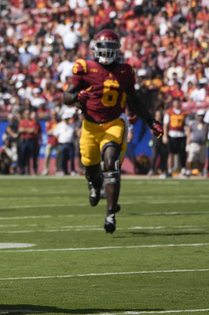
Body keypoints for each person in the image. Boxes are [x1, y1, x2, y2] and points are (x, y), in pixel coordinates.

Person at [62, 29, 163, 233]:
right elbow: (66, 96)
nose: (107, 51)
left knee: (111, 163)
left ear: (117, 50)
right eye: (104, 47)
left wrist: (151, 120)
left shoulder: (125, 71)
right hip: (90, 126)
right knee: (90, 167)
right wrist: (76, 97)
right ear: (95, 48)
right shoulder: (85, 67)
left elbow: (134, 99)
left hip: (114, 123)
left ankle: (110, 214)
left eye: (111, 47)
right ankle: (94, 183)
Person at [162, 97, 188, 178]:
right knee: (170, 154)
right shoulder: (169, 112)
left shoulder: (184, 113)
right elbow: (165, 125)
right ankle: (170, 171)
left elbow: (188, 126)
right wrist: (165, 136)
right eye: (175, 102)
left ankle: (183, 171)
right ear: (173, 103)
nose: (176, 103)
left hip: (181, 135)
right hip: (171, 135)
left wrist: (188, 137)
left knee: (183, 154)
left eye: (178, 102)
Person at [185, 109, 208, 177]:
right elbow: (188, 130)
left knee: (202, 159)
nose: (201, 117)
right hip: (194, 143)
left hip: (203, 144)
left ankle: (200, 171)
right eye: (200, 116)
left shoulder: (206, 124)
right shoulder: (193, 123)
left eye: (202, 116)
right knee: (191, 157)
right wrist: (188, 138)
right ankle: (188, 171)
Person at [42, 109, 60, 175]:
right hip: (50, 141)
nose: (54, 116)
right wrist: (55, 131)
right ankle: (46, 169)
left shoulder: (59, 123)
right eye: (52, 115)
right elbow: (48, 132)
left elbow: (59, 132)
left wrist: (53, 131)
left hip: (58, 141)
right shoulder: (49, 122)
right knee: (47, 155)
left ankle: (57, 170)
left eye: (55, 114)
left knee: (58, 156)